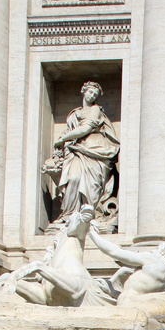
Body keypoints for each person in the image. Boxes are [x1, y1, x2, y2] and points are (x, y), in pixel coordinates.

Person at [51, 81, 119, 229]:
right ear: (83, 91)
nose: (92, 95)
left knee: (90, 184)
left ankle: (88, 215)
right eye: (90, 92)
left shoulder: (95, 110)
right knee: (74, 178)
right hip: (75, 150)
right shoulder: (75, 113)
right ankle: (69, 215)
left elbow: (85, 129)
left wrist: (63, 139)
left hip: (94, 150)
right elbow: (71, 129)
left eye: (95, 94)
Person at [87, 223, 165, 302]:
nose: (153, 251)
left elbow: (115, 252)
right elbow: (136, 298)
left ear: (164, 251)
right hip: (129, 309)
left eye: (157, 249)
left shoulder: (153, 260)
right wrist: (112, 291)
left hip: (125, 311)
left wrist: (92, 233)